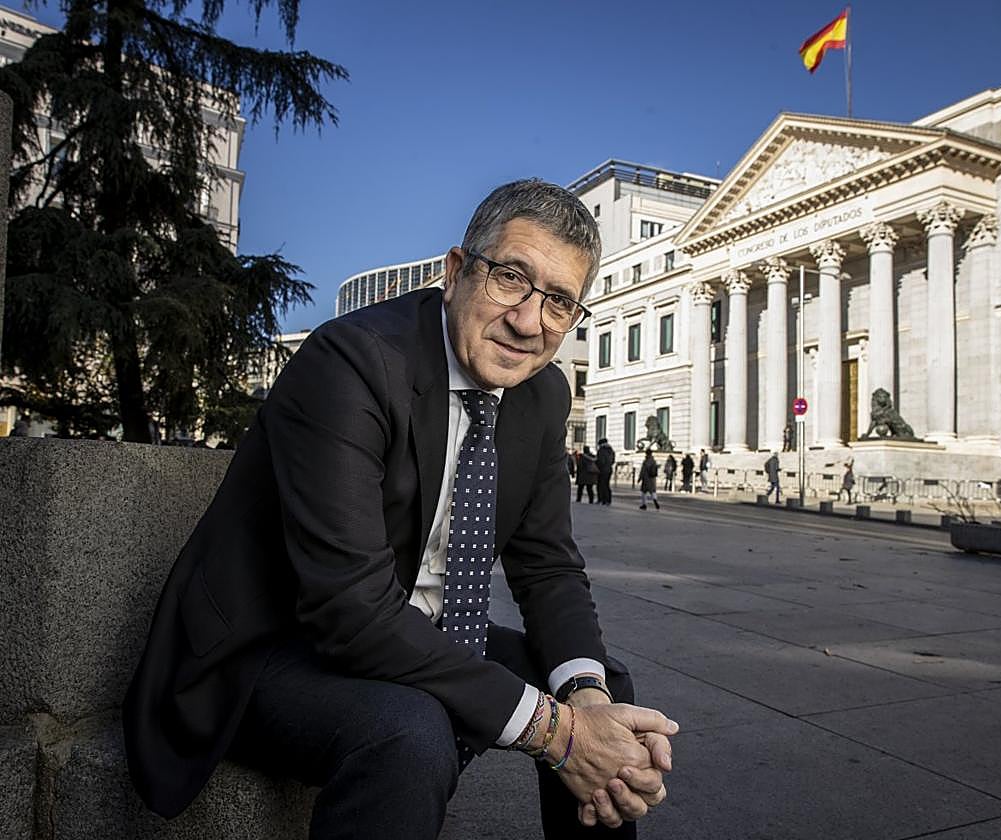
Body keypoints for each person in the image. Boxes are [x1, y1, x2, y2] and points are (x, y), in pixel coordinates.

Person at [123, 180, 677, 840]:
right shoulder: (352, 361)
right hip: (270, 647)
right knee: (410, 731)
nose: (528, 321)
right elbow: (349, 611)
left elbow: (549, 568)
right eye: (510, 279)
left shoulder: (542, 393)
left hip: (416, 628)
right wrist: (557, 732)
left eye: (558, 302)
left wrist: (585, 705)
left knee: (606, 688)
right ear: (454, 272)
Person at [596, 437, 616, 505]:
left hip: (602, 470)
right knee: (607, 485)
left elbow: (601, 461)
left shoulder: (601, 450)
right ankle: (608, 500)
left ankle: (601, 499)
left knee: (600, 485)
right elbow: (613, 461)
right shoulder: (611, 450)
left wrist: (597, 464)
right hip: (609, 469)